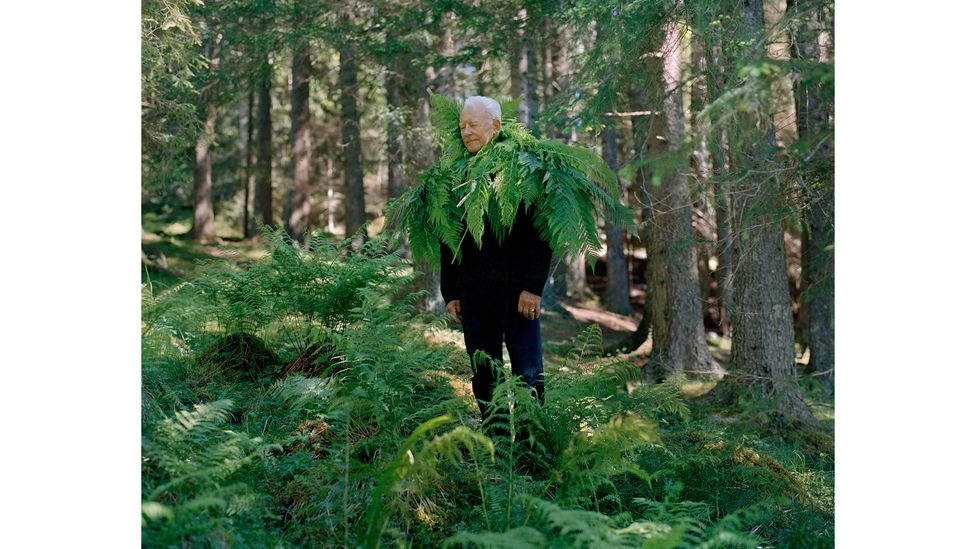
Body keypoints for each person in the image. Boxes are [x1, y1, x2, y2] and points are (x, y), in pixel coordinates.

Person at [439, 96, 554, 433]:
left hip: (518, 295)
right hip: (474, 296)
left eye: (473, 124)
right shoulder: (456, 175)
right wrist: (451, 292)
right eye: (462, 126)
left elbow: (542, 232)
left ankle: (534, 447)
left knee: (527, 373)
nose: (466, 131)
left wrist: (533, 288)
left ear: (496, 126)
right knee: (484, 374)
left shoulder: (523, 169)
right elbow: (448, 238)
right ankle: (496, 442)